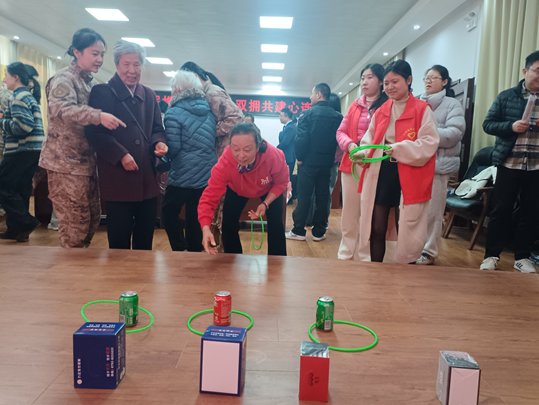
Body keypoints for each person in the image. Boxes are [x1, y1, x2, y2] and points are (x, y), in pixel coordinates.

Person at [39, 28, 124, 248]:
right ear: (77, 52)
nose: (99, 59)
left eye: (102, 54)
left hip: (86, 163)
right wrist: (98, 116)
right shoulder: (64, 79)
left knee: (92, 219)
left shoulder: (92, 84)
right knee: (74, 226)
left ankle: (79, 263)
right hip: (64, 164)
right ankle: (71, 268)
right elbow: (61, 108)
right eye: (94, 53)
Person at [85, 39, 168, 250]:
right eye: (126, 64)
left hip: (147, 180)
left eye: (137, 64)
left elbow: (157, 128)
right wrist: (121, 155)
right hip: (118, 180)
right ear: (116, 65)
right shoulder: (102, 92)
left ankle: (143, 273)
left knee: (145, 241)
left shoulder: (149, 95)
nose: (132, 70)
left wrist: (159, 143)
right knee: (119, 242)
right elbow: (95, 133)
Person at [354, 60, 439, 264]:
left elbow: (429, 142)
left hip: (410, 171)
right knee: (377, 225)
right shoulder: (382, 109)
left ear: (409, 80)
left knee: (407, 226)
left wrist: (399, 148)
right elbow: (369, 139)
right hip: (382, 171)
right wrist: (362, 152)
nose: (389, 87)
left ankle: (406, 267)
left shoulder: (422, 109)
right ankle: (375, 269)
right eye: (386, 83)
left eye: (395, 82)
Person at [480, 50, 539, 273]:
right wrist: (511, 126)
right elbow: (488, 124)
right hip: (509, 163)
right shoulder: (506, 96)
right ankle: (491, 255)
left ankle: (522, 257)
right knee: (501, 210)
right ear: (525, 71)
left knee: (532, 212)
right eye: (538, 70)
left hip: (536, 166)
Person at [198, 123, 289, 256]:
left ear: (257, 147)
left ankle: (277, 261)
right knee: (228, 223)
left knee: (276, 223)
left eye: (247, 150)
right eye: (235, 149)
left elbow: (281, 183)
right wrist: (205, 229)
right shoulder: (225, 163)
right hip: (237, 189)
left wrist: (265, 203)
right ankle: (232, 259)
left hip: (268, 188)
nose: (241, 155)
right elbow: (208, 198)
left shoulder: (274, 156)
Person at [181, 61, 244, 248]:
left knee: (222, 204)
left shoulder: (213, 93)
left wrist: (208, 131)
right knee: (219, 203)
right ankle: (218, 245)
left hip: (224, 156)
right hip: (220, 156)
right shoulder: (209, 92)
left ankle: (223, 248)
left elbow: (236, 118)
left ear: (197, 77)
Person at [336, 64, 388, 260]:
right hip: (351, 163)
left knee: (369, 212)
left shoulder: (388, 106)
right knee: (349, 211)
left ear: (381, 81)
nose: (364, 82)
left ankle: (365, 254)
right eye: (362, 78)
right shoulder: (354, 106)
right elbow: (340, 132)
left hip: (374, 165)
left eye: (370, 77)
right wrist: (350, 146)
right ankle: (346, 252)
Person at [162, 70, 217, 252]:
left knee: (168, 211)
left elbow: (174, 147)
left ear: (178, 89)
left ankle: (180, 249)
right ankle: (194, 252)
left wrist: (163, 155)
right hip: (206, 174)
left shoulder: (173, 113)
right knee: (196, 215)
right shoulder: (209, 112)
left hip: (182, 174)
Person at [415, 65, 465, 265]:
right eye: (426, 78)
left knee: (433, 211)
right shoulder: (417, 103)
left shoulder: (453, 104)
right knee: (414, 210)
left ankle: (429, 251)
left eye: (433, 78)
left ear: (444, 82)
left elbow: (454, 134)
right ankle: (413, 247)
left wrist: (425, 135)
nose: (428, 81)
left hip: (438, 165)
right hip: (416, 163)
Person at [286, 83, 343, 242]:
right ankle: (319, 232)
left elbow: (301, 139)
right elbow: (338, 140)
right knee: (323, 197)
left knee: (304, 196)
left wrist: (300, 158)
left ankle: (298, 230)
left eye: (312, 94)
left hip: (308, 163)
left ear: (319, 94)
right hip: (327, 163)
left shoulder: (307, 114)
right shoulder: (338, 117)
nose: (310, 97)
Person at [0, 62, 44, 241]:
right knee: (20, 189)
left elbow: (24, 126)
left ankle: (26, 221)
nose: (4, 80)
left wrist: (1, 121)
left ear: (16, 77)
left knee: (3, 186)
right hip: (31, 149)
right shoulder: (27, 96)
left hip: (20, 150)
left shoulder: (18, 97)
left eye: (6, 75)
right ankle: (17, 231)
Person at [305, 93, 343, 227]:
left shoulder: (338, 120)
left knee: (320, 193)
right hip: (330, 162)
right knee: (323, 194)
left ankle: (317, 221)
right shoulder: (338, 119)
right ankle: (318, 222)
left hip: (326, 162)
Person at [277, 107, 297, 200]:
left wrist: (274, 150)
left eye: (281, 115)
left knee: (288, 179)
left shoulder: (290, 127)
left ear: (287, 117)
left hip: (289, 157)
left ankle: (288, 199)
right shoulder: (288, 127)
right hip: (287, 156)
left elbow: (285, 143)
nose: (280, 117)